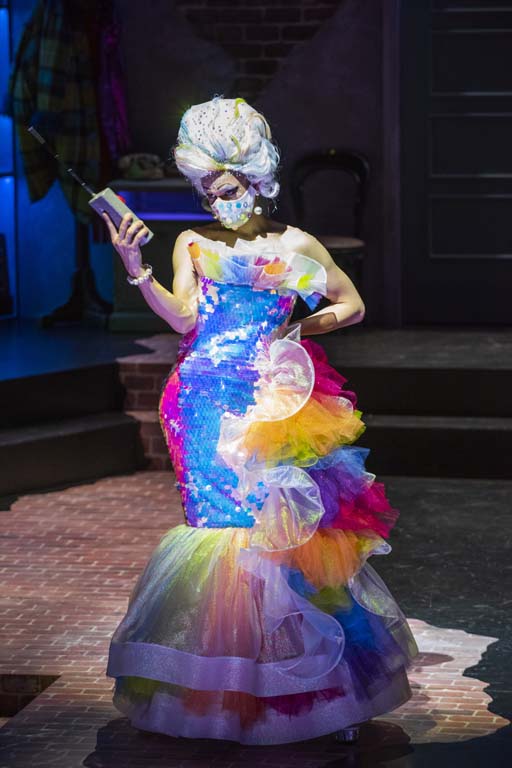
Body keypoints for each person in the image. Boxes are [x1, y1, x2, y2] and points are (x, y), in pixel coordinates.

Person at [103, 95, 419, 746]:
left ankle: (293, 693)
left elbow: (353, 305)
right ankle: (214, 694)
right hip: (198, 399)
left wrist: (297, 329)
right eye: (204, 191)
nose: (214, 202)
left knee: (272, 530)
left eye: (224, 189)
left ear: (254, 178)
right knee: (215, 529)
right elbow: (185, 319)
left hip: (265, 401)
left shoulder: (296, 245)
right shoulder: (193, 242)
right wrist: (137, 271)